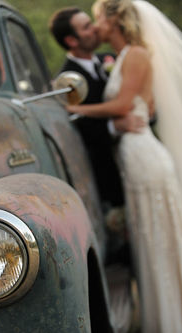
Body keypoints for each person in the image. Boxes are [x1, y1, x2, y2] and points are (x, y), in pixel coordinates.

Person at [67, 0, 182, 333]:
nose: (96, 26)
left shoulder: (135, 55)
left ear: (114, 20)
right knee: (151, 237)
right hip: (132, 155)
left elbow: (123, 105)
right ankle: (166, 322)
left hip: (145, 158)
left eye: (98, 17)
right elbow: (140, 107)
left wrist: (74, 109)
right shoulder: (121, 57)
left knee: (162, 235)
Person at [49, 7, 144, 210]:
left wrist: (144, 115)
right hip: (106, 175)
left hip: (138, 154)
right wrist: (115, 126)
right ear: (72, 41)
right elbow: (79, 131)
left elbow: (138, 96)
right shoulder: (65, 82)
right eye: (86, 27)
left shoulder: (111, 60)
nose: (94, 29)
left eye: (91, 23)